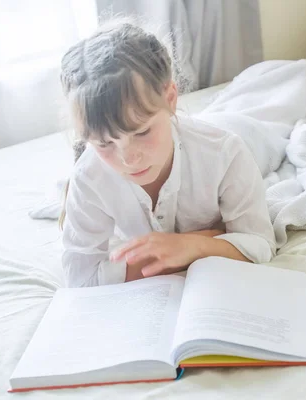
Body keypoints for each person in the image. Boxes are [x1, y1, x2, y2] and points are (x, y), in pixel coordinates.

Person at [58, 18, 276, 287]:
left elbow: (261, 245)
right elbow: (80, 278)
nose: (128, 159)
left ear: (171, 99)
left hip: (251, 134)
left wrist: (190, 246)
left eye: (141, 132)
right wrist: (208, 240)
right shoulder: (89, 177)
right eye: (104, 144)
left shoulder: (226, 153)